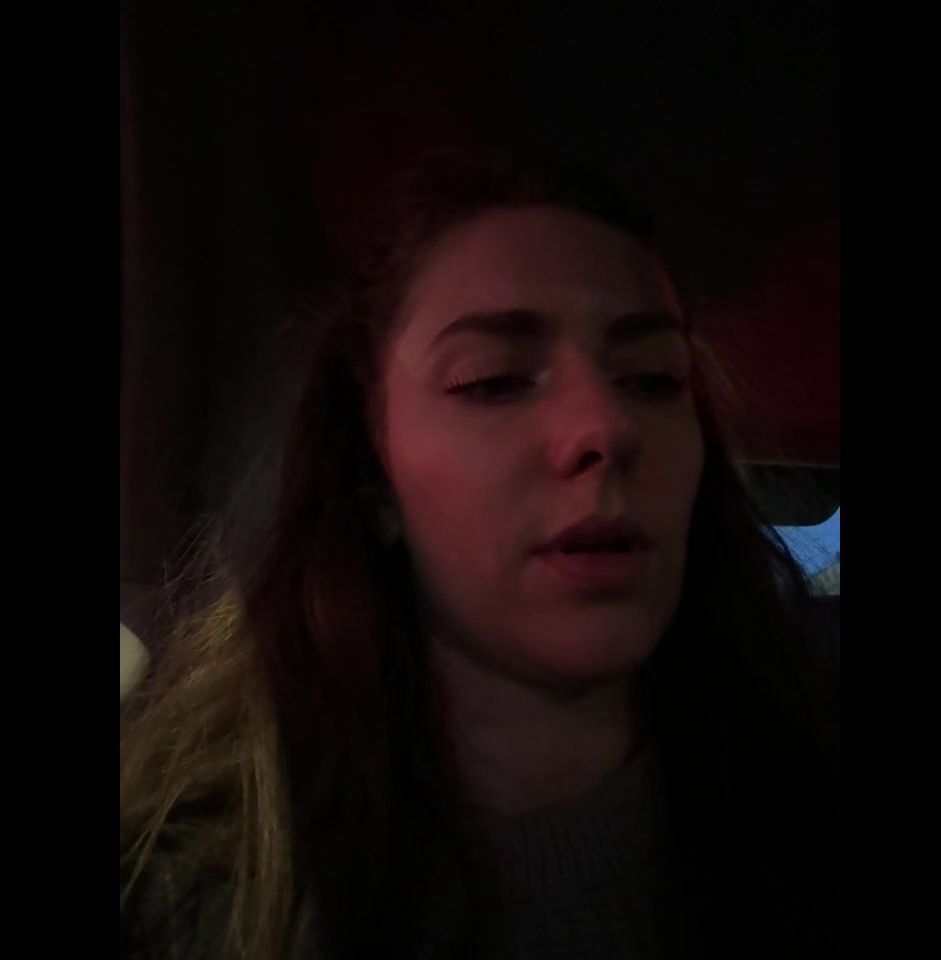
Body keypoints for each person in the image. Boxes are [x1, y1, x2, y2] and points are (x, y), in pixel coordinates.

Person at [120, 147, 839, 960]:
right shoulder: (184, 902)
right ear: (371, 475)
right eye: (494, 381)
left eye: (651, 379)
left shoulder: (810, 819)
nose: (606, 428)